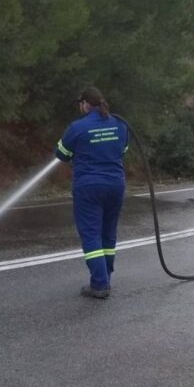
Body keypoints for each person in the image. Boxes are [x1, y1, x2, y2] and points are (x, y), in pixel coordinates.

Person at [54, 86, 129, 299]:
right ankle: (106, 278)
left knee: (91, 234)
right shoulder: (120, 125)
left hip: (89, 187)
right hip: (116, 185)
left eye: (81, 104)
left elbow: (62, 153)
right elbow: (123, 150)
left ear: (86, 104)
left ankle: (99, 284)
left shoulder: (77, 128)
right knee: (108, 234)